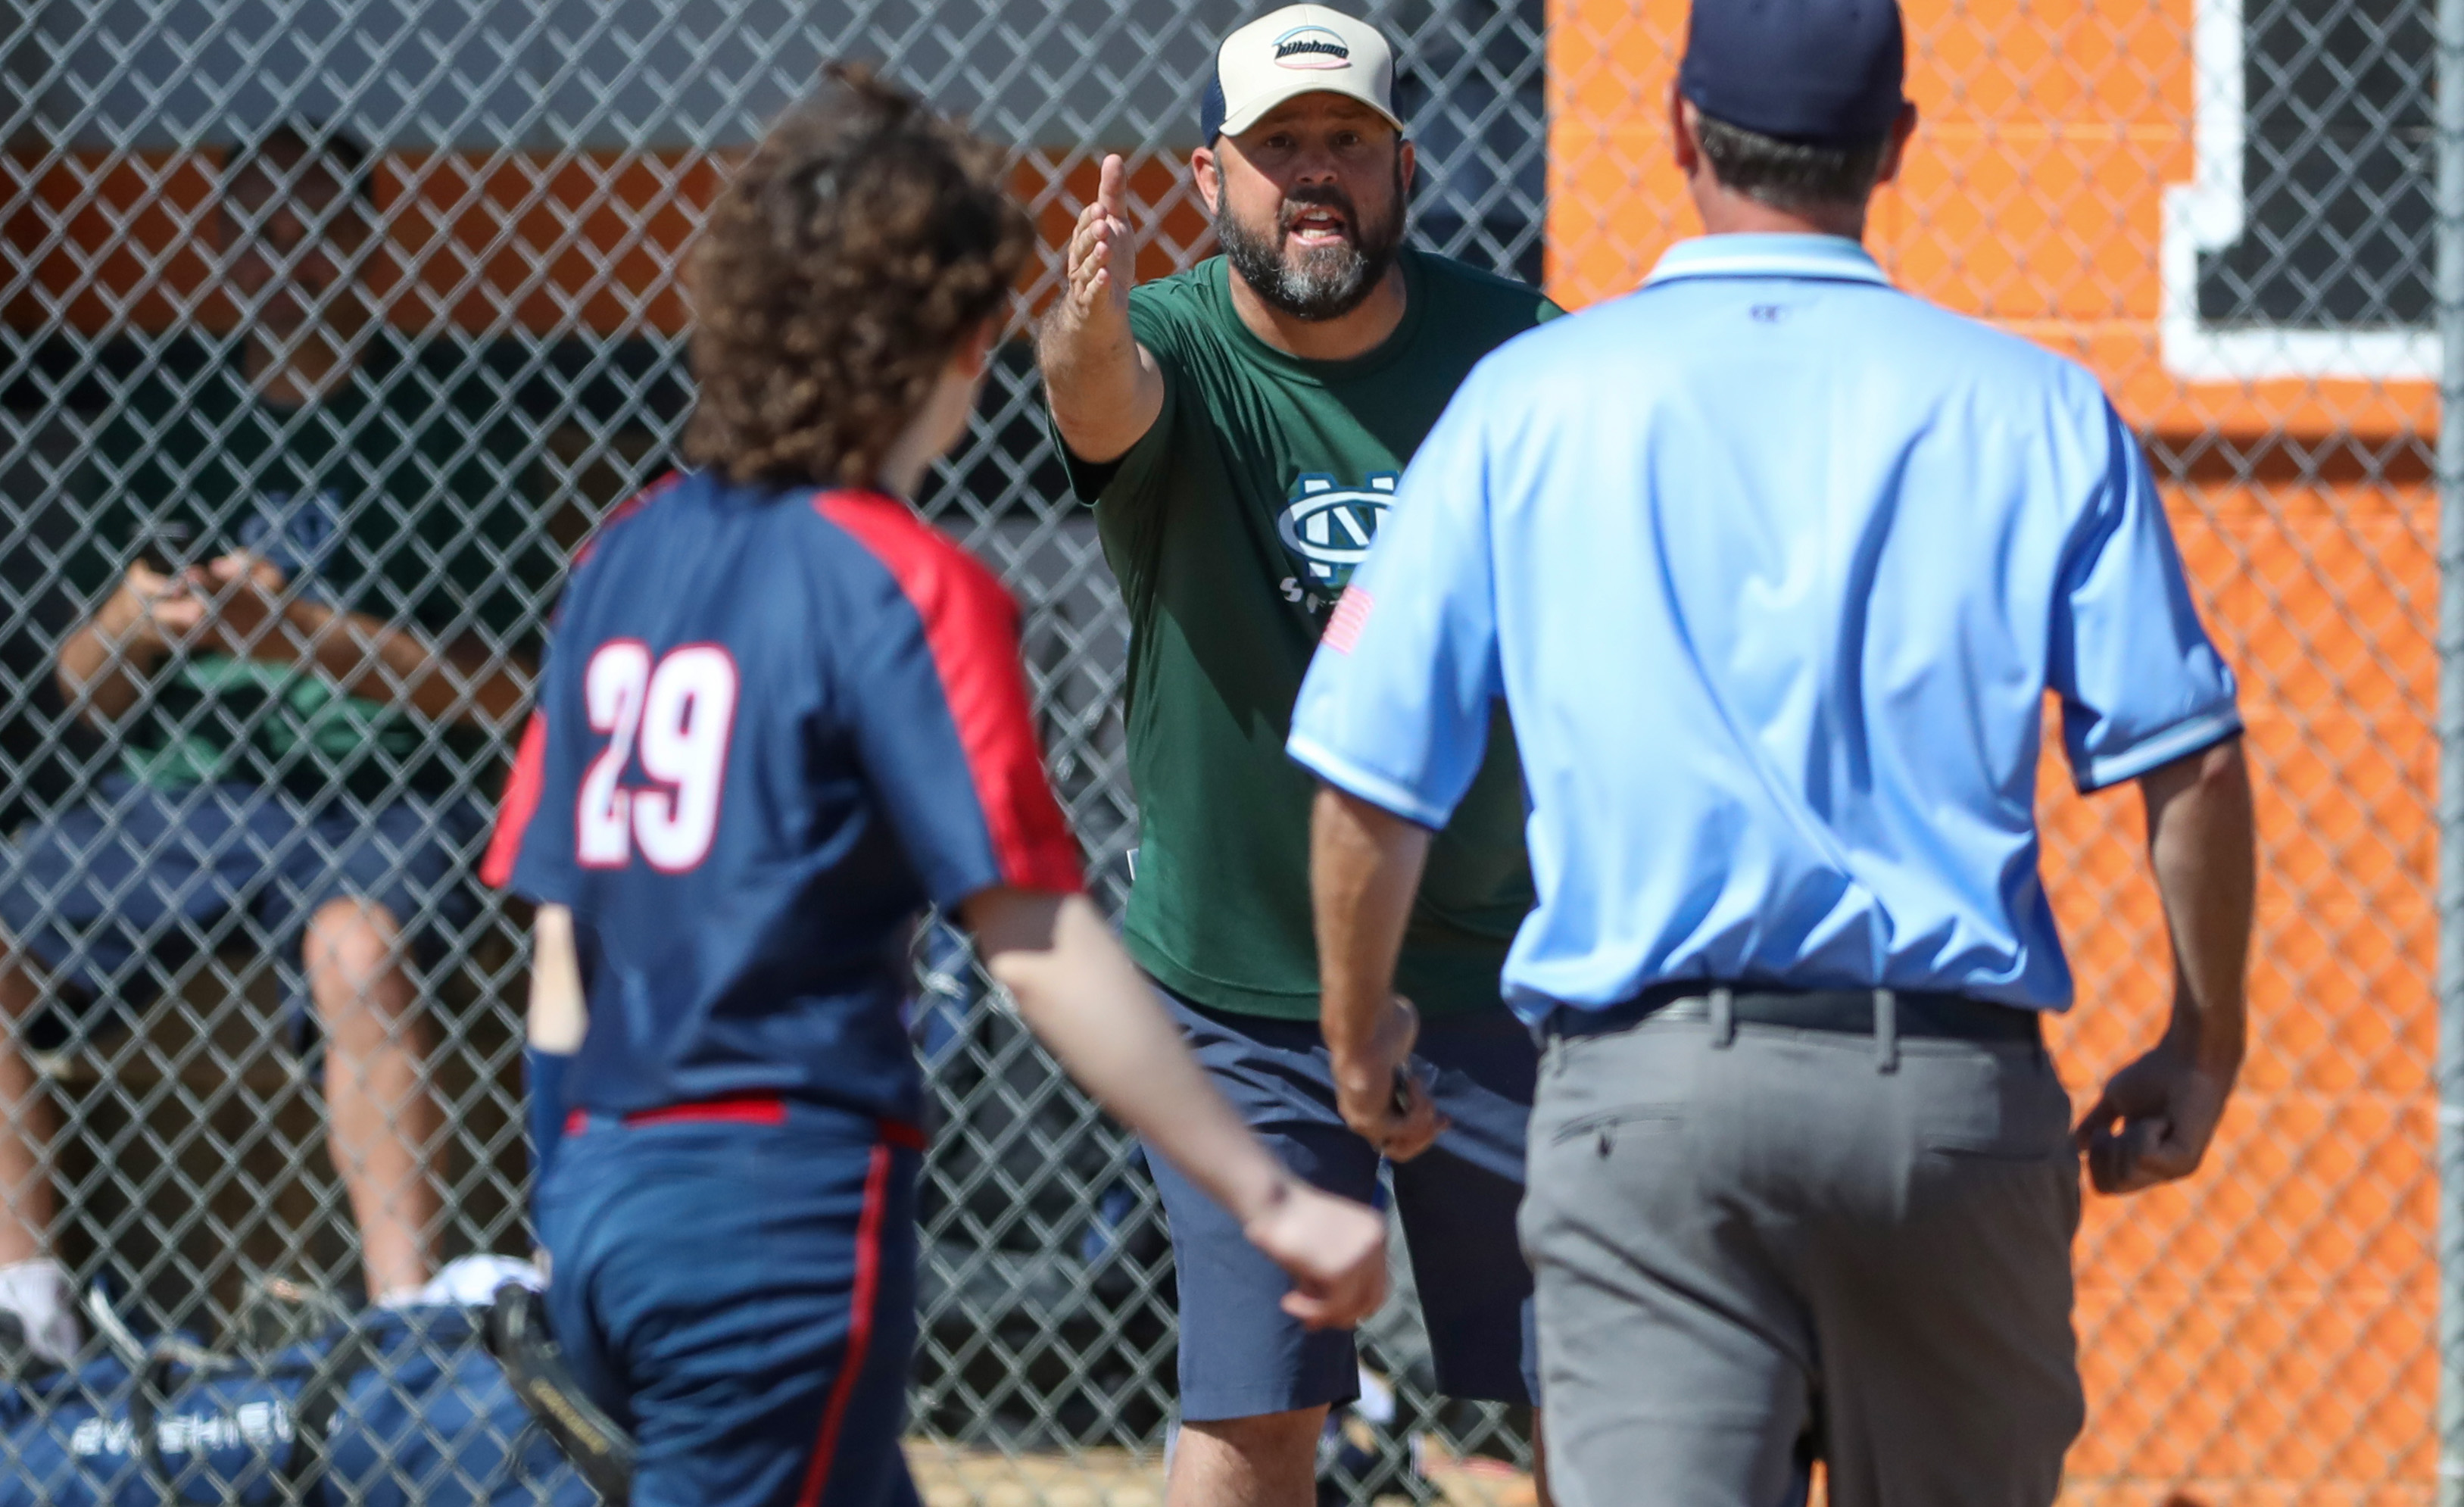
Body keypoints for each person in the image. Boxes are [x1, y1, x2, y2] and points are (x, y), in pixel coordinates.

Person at [1289, 0, 2257, 1501]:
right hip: (1945, 1101)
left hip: (1647, 1105)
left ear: (1677, 130)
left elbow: (1366, 787)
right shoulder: (2037, 408)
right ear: (1895, 148)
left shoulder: (1528, 401)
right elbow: (2186, 759)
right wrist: (2203, 1040)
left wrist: (1358, 1040)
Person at [480, 67, 1389, 1507]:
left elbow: (559, 926)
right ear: (964, 343)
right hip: (772, 1208)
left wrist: (568, 1176)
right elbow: (1032, 934)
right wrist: (1265, 1187)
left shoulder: (626, 554)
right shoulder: (903, 582)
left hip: (599, 1183)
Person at [1035, 8, 1557, 1501]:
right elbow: (1097, 399)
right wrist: (1082, 318)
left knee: (1570, 1394)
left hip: (1488, 966)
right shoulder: (1176, 341)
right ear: (1211, 176)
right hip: (1239, 991)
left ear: (1403, 166)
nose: (1312, 177)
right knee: (1258, 1411)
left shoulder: (1516, 351)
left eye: (1344, 144)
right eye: (1278, 149)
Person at [0, 120, 554, 1359]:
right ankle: (28, 1318)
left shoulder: (445, 414)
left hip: (387, 791)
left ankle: (403, 1328)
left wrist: (300, 634)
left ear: (364, 245)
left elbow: (510, 690)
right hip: (180, 798)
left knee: (356, 951)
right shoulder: (167, 411)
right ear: (218, 249)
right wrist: (133, 623)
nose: (283, 257)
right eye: (255, 231)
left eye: (313, 230)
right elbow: (79, 694)